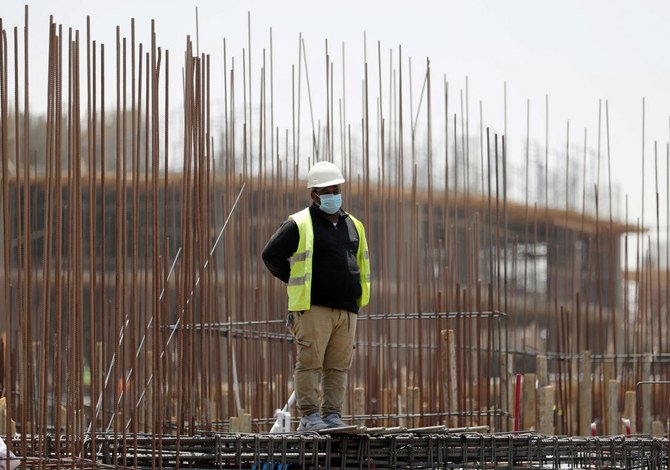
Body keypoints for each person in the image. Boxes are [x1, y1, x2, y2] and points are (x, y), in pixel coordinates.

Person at [262, 161, 371, 432]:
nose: (333, 194)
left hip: (346, 310)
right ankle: (310, 416)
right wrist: (293, 280)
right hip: (313, 308)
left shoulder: (354, 225)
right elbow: (271, 255)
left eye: (336, 189)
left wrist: (357, 299)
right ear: (314, 195)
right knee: (310, 363)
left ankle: (332, 415)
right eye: (327, 191)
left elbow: (360, 263)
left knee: (338, 366)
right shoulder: (299, 223)